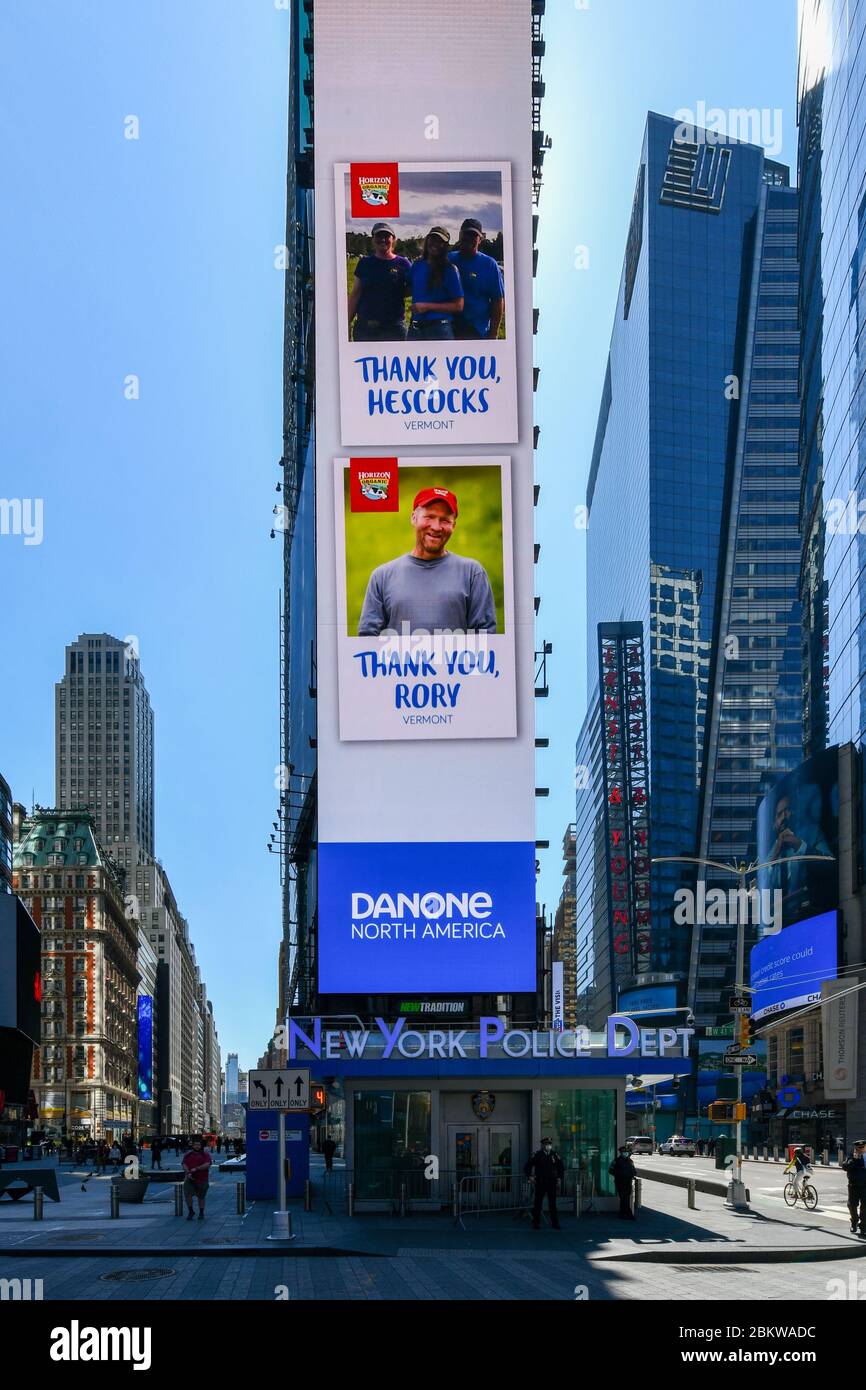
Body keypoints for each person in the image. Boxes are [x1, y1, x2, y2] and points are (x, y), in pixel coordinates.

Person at [357, 486, 497, 637]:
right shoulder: (382, 576)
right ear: (414, 518)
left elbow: (485, 637)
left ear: (453, 526)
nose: (436, 527)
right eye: (429, 517)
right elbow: (367, 638)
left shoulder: (472, 573)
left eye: (445, 520)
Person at [348, 222, 411, 341]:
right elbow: (356, 294)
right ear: (373, 239)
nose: (382, 240)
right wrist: (346, 323)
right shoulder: (365, 263)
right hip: (366, 328)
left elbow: (413, 289)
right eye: (379, 236)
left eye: (386, 236)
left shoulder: (404, 264)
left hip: (395, 328)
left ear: (393, 239)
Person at [448, 217, 504, 339]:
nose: (468, 238)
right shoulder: (448, 259)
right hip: (449, 327)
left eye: (473, 235)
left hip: (476, 330)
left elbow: (497, 300)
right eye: (466, 234)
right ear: (459, 235)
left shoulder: (489, 264)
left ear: (480, 239)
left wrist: (493, 333)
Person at [408, 227, 464, 340]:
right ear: (427, 240)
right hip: (415, 328)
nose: (435, 244)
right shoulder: (417, 265)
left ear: (445, 246)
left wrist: (427, 307)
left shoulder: (450, 270)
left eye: (440, 242)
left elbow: (458, 305)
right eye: (433, 239)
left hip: (439, 329)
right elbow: (408, 288)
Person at [524, 1137, 564, 1230]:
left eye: (549, 1144)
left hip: (551, 1183)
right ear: (542, 1145)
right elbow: (527, 1166)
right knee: (537, 1204)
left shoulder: (555, 1155)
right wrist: (530, 1176)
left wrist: (559, 1179)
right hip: (540, 1182)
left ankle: (555, 1223)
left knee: (552, 1204)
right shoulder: (537, 1155)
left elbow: (561, 1167)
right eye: (546, 1144)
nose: (548, 1146)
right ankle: (536, 1223)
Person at [182, 1136, 212, 1221]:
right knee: (188, 1195)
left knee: (201, 1197)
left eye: (198, 1145)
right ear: (193, 1146)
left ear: (201, 1146)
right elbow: (184, 1164)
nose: (197, 1146)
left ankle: (201, 1212)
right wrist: (188, 1173)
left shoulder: (205, 1154)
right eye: (195, 1145)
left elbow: (207, 1164)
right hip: (190, 1178)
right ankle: (191, 1211)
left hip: (202, 1179)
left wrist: (196, 1169)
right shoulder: (188, 1154)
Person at [609, 1144, 637, 1220]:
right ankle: (628, 1213)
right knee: (623, 1197)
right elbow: (611, 1170)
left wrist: (633, 1174)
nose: (626, 1153)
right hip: (620, 1182)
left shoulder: (630, 1161)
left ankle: (623, 1213)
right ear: (621, 1153)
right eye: (624, 1152)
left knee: (626, 1198)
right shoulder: (616, 1161)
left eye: (626, 1152)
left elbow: (634, 1171)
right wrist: (619, 1174)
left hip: (628, 1181)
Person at [844, 1139, 866, 1235]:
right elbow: (845, 1167)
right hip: (853, 1185)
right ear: (855, 1148)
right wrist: (854, 1160)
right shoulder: (851, 1156)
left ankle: (863, 1226)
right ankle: (854, 1221)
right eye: (859, 1148)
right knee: (852, 1205)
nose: (861, 1149)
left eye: (863, 1147)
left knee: (865, 1207)